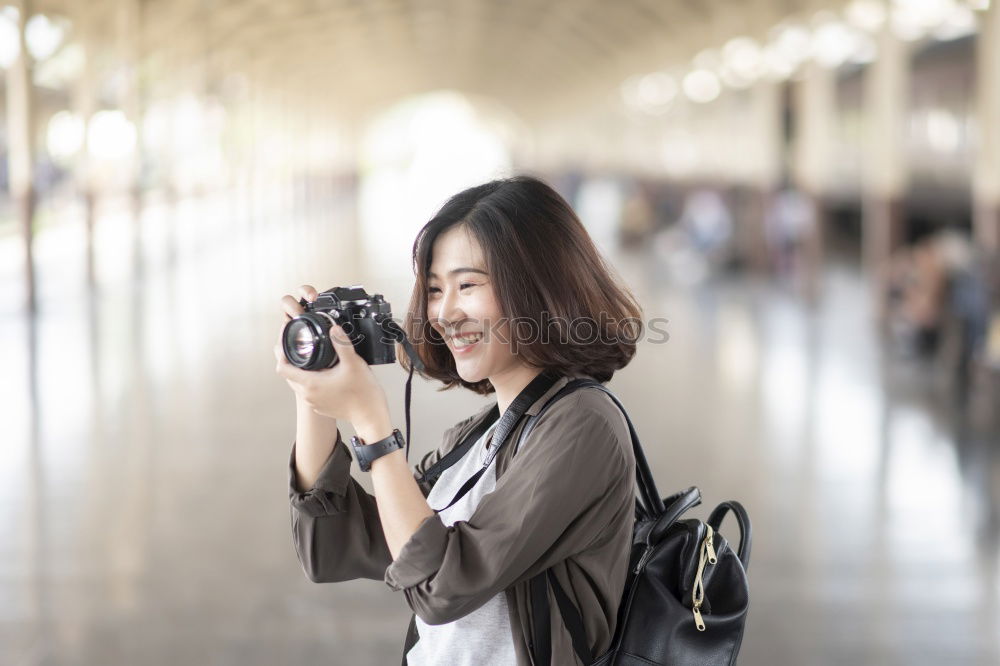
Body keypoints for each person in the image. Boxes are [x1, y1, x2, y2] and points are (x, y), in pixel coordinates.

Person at [275, 176, 643, 665]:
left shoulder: (583, 425)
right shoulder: (479, 436)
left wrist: (372, 423)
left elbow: (440, 587)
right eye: (433, 289)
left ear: (537, 286)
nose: (444, 312)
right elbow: (331, 546)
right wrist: (313, 377)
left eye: (467, 285)